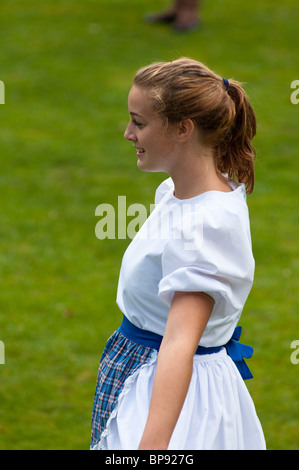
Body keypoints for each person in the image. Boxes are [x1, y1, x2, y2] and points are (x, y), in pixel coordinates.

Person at [90, 58, 266, 450]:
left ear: (183, 129)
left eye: (139, 122)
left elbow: (178, 343)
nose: (127, 133)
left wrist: (151, 447)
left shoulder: (206, 226)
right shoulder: (177, 193)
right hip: (141, 370)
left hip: (170, 394)